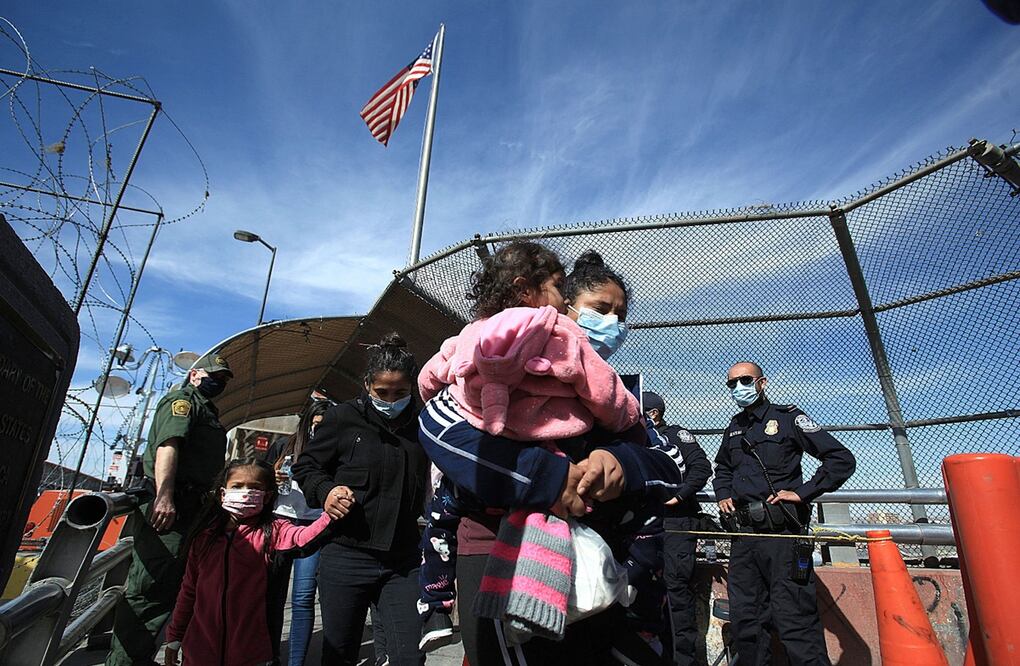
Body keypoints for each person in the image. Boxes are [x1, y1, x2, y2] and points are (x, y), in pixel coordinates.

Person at [418, 247, 686, 665]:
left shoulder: (610, 393)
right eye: (599, 310)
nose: (612, 325)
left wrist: (620, 462)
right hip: (499, 556)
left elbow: (670, 463)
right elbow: (442, 430)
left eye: (620, 316)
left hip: (601, 565)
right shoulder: (470, 378)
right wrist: (552, 479)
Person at [292, 333, 429, 666]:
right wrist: (326, 491)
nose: (391, 401)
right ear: (367, 385)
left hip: (403, 561)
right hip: (346, 555)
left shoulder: (424, 423)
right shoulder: (343, 418)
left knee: (410, 656)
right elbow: (307, 466)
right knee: (339, 652)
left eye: (400, 393)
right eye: (382, 393)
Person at [713, 362, 856, 666]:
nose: (738, 387)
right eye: (732, 383)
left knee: (795, 621)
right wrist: (723, 493)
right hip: (743, 539)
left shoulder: (788, 418)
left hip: (783, 538)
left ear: (762, 382)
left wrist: (803, 492)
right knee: (747, 623)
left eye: (745, 380)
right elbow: (722, 466)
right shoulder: (734, 427)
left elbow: (840, 459)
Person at [107, 354, 234, 666]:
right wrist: (164, 496)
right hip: (172, 506)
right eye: (213, 376)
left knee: (172, 587)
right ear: (195, 375)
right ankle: (124, 662)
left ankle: (141, 656)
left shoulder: (207, 409)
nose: (218, 383)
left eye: (223, 379)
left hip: (193, 509)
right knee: (151, 588)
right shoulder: (182, 402)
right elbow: (168, 446)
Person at [162, 458, 334, 666]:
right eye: (237, 486)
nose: (244, 493)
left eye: (254, 488)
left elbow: (302, 538)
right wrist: (175, 637)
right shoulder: (204, 538)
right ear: (223, 493)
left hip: (252, 654)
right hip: (199, 652)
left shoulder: (275, 531)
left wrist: (332, 513)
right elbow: (189, 591)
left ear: (267, 495)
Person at [643, 391, 712, 666]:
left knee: (676, 590)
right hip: (648, 524)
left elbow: (701, 467)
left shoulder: (675, 435)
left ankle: (682, 659)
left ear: (653, 414)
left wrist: (679, 496)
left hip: (677, 522)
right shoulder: (636, 438)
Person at [265, 400, 332, 666]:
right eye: (315, 425)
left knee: (303, 597)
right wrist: (270, 478)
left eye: (325, 426)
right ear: (306, 423)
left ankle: (296, 661)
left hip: (312, 525)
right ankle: (270, 655)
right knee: (273, 595)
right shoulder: (284, 446)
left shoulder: (335, 450)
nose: (318, 430)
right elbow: (258, 479)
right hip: (280, 522)